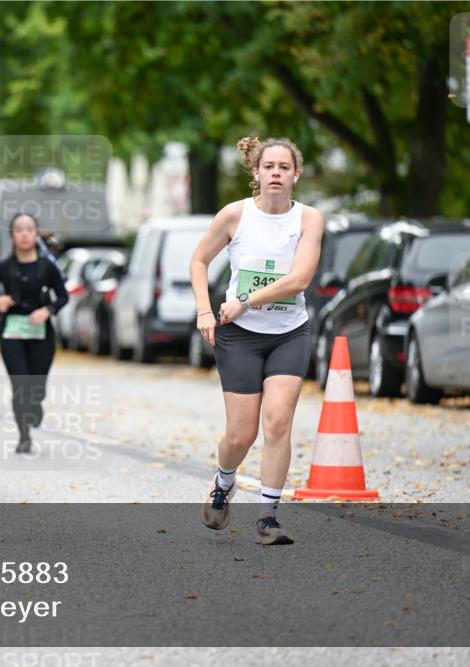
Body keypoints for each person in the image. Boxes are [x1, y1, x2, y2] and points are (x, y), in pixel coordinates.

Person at [189, 136, 324, 546]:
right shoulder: (235, 216)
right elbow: (198, 261)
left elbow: (300, 280)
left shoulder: (309, 219)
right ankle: (224, 480)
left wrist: (244, 301)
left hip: (289, 331)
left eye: (285, 167)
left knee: (279, 421)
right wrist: (204, 310)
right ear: (256, 174)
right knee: (240, 435)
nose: (277, 173)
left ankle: (268, 516)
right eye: (270, 167)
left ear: (296, 175)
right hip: (240, 338)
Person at [0, 213, 69, 454]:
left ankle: (36, 403)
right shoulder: (3, 267)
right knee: (20, 384)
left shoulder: (47, 266)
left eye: (29, 229)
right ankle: (24, 436)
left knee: (35, 387)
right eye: (19, 229)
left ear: (36, 234)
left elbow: (63, 296)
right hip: (12, 333)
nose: (24, 234)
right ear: (12, 235)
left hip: (41, 334)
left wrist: (47, 310)